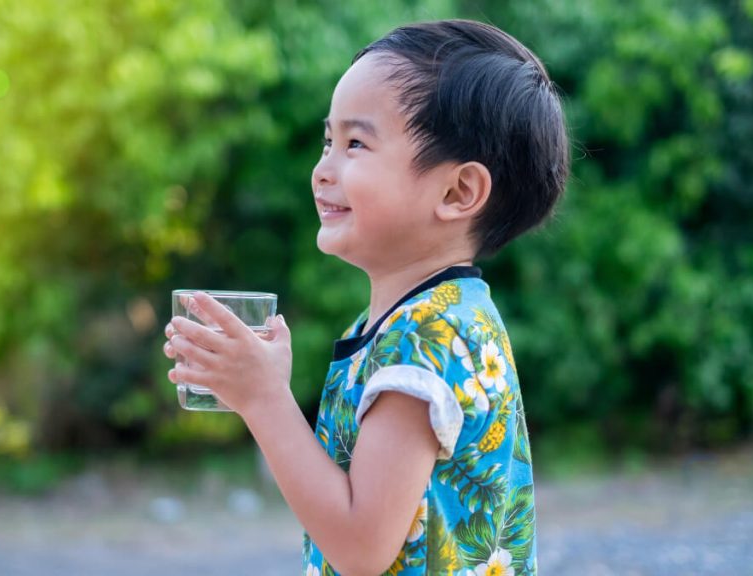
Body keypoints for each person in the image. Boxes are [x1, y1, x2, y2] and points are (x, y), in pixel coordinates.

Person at [164, 19, 568, 575]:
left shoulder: (429, 336)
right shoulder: (424, 318)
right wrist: (256, 385)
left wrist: (264, 399)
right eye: (328, 141)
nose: (322, 170)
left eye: (355, 143)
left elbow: (359, 545)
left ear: (457, 191)